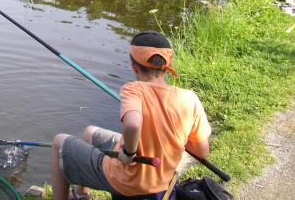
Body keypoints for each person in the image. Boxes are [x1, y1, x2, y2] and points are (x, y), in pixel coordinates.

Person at [51, 31, 211, 200]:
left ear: (134, 66)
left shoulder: (133, 89)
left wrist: (128, 154)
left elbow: (133, 124)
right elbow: (201, 151)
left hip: (127, 181)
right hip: (162, 178)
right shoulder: (189, 98)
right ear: (168, 65)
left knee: (58, 143)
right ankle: (80, 195)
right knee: (90, 133)